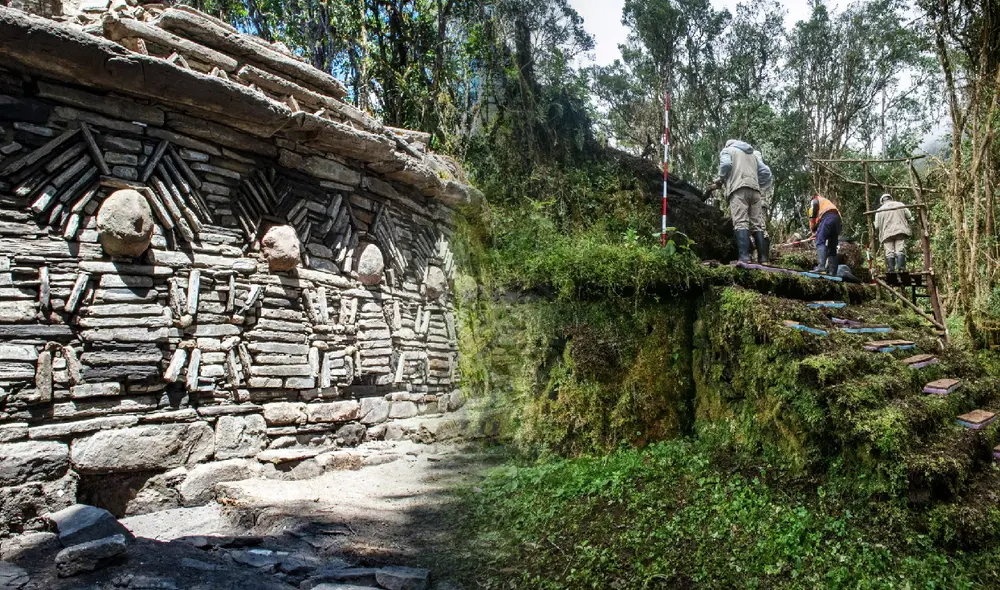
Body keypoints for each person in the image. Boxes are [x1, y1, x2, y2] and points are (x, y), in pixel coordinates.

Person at [708, 140, 772, 263]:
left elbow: (726, 165)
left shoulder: (727, 150)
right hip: (755, 191)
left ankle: (744, 258)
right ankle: (763, 259)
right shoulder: (753, 155)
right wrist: (758, 183)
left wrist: (722, 178)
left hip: (738, 190)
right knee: (757, 224)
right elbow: (766, 172)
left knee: (741, 222)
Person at [873, 193, 914, 272]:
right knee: (900, 250)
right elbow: (909, 217)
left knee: (889, 252)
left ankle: (891, 270)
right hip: (900, 230)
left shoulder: (879, 210)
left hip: (886, 233)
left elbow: (877, 226)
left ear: (882, 201)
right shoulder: (900, 204)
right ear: (891, 198)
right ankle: (902, 269)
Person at [807, 194, 842, 274]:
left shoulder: (815, 200)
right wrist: (817, 232)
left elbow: (813, 216)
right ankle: (833, 272)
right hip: (837, 222)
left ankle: (821, 267)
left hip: (828, 218)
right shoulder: (825, 202)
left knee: (820, 241)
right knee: (832, 248)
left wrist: (812, 229)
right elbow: (822, 225)